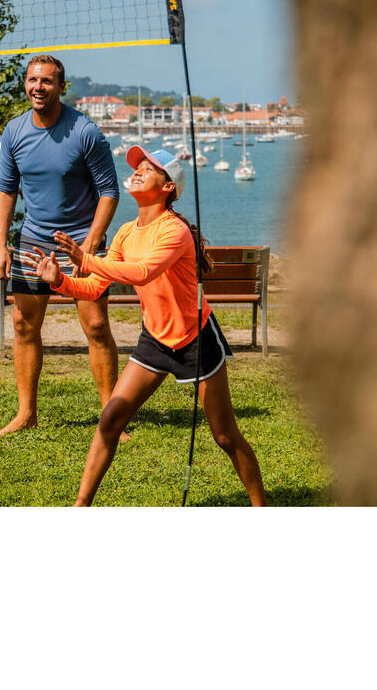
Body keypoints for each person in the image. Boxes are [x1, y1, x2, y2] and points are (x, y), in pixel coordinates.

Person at [32, 145, 267, 506]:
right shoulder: (127, 233)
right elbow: (95, 287)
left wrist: (86, 259)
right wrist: (60, 281)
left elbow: (143, 272)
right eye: (137, 166)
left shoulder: (174, 232)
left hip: (195, 340)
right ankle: (80, 508)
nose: (138, 170)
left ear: (168, 186)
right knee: (110, 420)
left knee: (224, 436)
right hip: (155, 339)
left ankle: (261, 507)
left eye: (150, 168)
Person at [0, 54, 121, 436]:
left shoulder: (85, 131)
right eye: (33, 80)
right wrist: (1, 245)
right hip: (33, 241)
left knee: (96, 326)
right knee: (23, 324)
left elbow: (109, 192)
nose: (38, 87)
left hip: (81, 240)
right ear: (25, 84)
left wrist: (90, 245)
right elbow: (6, 190)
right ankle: (26, 414)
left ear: (62, 87)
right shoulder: (14, 132)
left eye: (47, 81)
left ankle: (110, 418)